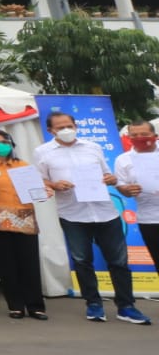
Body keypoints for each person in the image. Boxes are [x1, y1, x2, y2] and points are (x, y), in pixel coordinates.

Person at [34, 111, 150, 325]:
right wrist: (54, 184)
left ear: (76, 125)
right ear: (50, 131)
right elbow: (39, 180)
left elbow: (110, 176)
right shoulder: (43, 152)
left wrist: (111, 178)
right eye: (60, 128)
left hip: (106, 211)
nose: (66, 130)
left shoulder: (93, 147)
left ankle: (126, 306)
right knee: (82, 261)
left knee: (119, 262)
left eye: (69, 125)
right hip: (72, 214)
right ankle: (93, 304)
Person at [0, 129, 51, 319]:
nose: (0, 145)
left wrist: (44, 192)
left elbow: (35, 193)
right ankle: (15, 305)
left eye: (4, 141)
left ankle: (35, 305)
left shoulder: (22, 165)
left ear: (11, 144)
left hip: (24, 217)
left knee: (29, 263)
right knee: (7, 264)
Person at [116, 120, 159, 276]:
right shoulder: (123, 159)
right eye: (134, 135)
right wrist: (127, 189)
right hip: (149, 220)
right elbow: (122, 187)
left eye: (144, 134)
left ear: (155, 135)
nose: (139, 138)